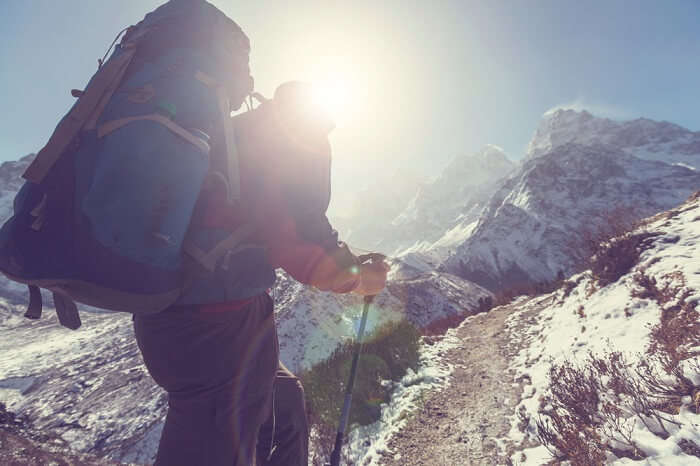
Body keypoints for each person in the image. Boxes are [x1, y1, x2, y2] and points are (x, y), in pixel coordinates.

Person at [133, 80, 390, 466]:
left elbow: (271, 221)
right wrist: (360, 279)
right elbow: (303, 244)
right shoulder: (294, 138)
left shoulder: (232, 135)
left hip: (172, 319)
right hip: (215, 330)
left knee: (284, 402)